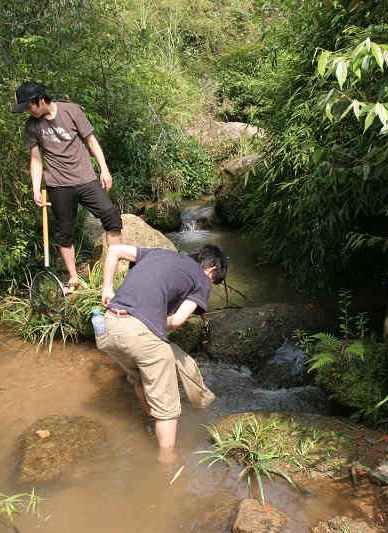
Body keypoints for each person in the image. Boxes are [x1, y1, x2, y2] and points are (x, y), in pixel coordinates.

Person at [97, 244, 227, 462]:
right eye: (214, 281)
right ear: (212, 270)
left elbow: (115, 250)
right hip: (139, 334)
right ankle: (167, 465)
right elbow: (176, 321)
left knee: (139, 378)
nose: (210, 285)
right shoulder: (202, 279)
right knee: (167, 408)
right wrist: (156, 320)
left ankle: (150, 424)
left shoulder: (158, 253)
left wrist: (107, 288)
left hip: (107, 326)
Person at [12, 81, 122, 290]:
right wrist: (35, 188)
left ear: (41, 100)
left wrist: (104, 169)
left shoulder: (71, 110)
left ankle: (114, 271)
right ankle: (73, 277)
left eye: (29, 106)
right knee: (64, 232)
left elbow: (91, 141)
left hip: (86, 179)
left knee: (111, 215)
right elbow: (36, 159)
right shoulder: (32, 126)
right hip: (58, 185)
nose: (28, 111)